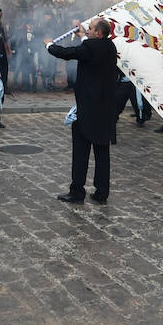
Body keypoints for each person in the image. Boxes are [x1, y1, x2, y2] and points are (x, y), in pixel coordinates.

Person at [50, 18, 119, 202]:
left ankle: (77, 191)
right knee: (102, 153)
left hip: (89, 110)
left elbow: (69, 53)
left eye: (90, 29)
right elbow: (89, 50)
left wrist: (50, 46)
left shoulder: (91, 47)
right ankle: (102, 192)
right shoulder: (109, 46)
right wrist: (82, 36)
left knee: (80, 151)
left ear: (98, 33)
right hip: (105, 111)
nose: (87, 30)